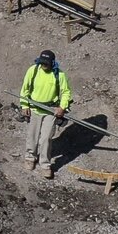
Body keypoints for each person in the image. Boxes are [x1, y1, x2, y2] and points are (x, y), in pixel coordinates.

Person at [19, 50, 72, 179]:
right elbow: (25, 88)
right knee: (33, 135)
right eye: (42, 63)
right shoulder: (33, 70)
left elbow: (66, 92)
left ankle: (45, 164)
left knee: (46, 138)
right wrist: (25, 105)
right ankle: (30, 158)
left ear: (52, 63)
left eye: (46, 64)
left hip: (50, 110)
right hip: (35, 108)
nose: (44, 66)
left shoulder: (59, 75)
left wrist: (62, 107)